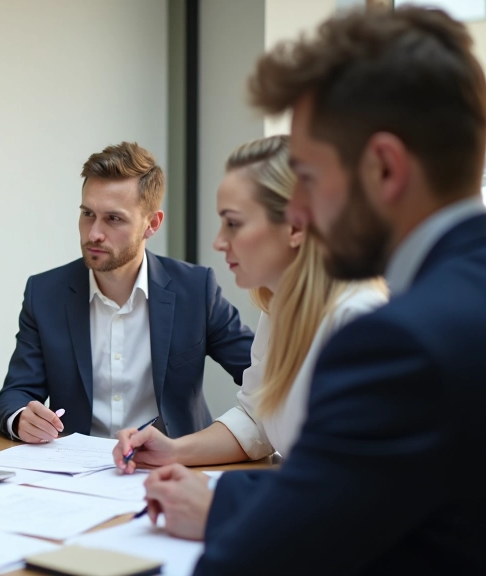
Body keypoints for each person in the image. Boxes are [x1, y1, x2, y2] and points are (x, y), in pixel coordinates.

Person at [142, 7, 486, 575]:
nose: (298, 211)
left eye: (308, 177)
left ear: (383, 168)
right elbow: (367, 496)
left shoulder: (397, 343)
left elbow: (275, 552)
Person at [112, 135, 385, 471]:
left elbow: (356, 481)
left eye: (233, 223)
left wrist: (219, 504)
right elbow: (256, 420)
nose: (218, 242)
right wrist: (173, 451)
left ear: (296, 227)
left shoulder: (359, 324)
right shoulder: (280, 309)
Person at [0, 142, 254, 443]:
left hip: (173, 469)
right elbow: (14, 395)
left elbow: (263, 377)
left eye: (113, 219)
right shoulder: (45, 293)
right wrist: (21, 418)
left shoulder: (195, 289)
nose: (94, 233)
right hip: (76, 475)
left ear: (151, 224)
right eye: (87, 214)